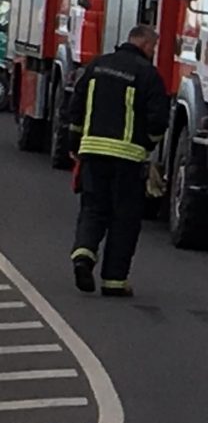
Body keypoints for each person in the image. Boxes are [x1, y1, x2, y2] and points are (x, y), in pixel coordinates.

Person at [69, 24, 169, 297]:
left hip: (92, 152)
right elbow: (159, 119)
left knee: (93, 209)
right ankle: (114, 281)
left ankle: (83, 257)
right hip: (128, 158)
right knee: (124, 218)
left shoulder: (97, 66)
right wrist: (148, 144)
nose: (153, 51)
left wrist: (74, 144)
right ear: (145, 44)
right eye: (153, 47)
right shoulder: (148, 75)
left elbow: (75, 108)